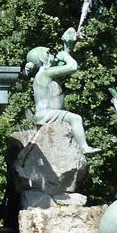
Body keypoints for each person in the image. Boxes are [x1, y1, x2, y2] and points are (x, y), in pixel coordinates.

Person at [23, 28, 98, 157]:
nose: (53, 55)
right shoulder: (46, 73)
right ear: (43, 58)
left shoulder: (46, 74)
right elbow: (72, 67)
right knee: (76, 118)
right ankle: (84, 147)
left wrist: (69, 45)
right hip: (46, 115)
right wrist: (66, 55)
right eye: (50, 54)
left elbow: (63, 62)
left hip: (48, 114)